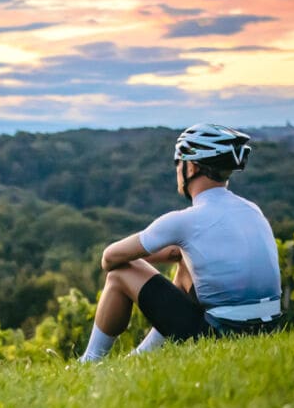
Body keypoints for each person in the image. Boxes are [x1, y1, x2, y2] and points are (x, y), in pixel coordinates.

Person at [78, 123, 282, 362]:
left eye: (178, 163)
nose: (177, 170)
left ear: (192, 166)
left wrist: (162, 252)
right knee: (186, 261)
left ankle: (89, 361)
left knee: (120, 273)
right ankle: (142, 355)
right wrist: (178, 252)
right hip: (268, 329)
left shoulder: (183, 221)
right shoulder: (252, 209)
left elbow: (110, 257)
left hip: (220, 335)